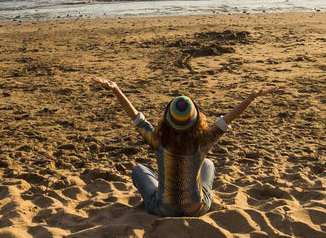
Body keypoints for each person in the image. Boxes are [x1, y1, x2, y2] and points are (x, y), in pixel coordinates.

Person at [91, 76, 278, 216]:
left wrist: (116, 89)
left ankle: (165, 183)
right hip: (196, 208)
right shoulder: (203, 141)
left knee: (140, 170)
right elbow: (228, 118)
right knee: (208, 164)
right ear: (196, 119)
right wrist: (251, 97)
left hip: (164, 209)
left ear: (168, 119)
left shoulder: (158, 140)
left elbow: (137, 118)